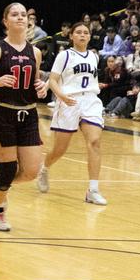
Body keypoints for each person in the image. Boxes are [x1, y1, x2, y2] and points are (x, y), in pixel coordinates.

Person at [0, 3, 48, 231]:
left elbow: (33, 84)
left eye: (23, 15)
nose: (20, 18)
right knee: (8, 170)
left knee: (32, 171)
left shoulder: (35, 52)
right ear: (5, 21)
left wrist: (41, 88)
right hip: (2, 113)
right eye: (15, 15)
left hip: (29, 115)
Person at [36, 23, 107, 206]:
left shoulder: (94, 56)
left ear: (90, 37)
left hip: (90, 101)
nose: (82, 35)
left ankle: (93, 190)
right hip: (69, 101)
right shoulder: (64, 55)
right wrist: (61, 96)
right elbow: (53, 80)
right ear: (72, 36)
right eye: (79, 32)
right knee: (60, 150)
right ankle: (44, 168)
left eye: (86, 33)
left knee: (94, 142)